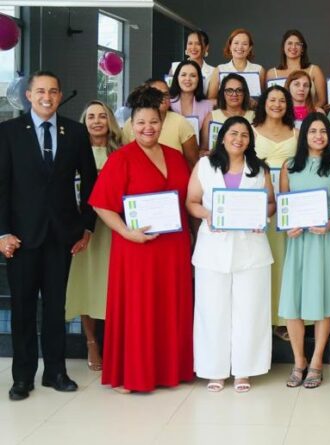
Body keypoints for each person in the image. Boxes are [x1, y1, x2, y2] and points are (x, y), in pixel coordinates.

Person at [89, 85, 194, 393]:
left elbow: (188, 198)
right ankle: (135, 373)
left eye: (154, 122)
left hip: (173, 247)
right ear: (130, 126)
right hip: (137, 247)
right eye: (141, 123)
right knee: (139, 310)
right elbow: (101, 204)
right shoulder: (121, 158)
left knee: (170, 308)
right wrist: (125, 232)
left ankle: (170, 370)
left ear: (162, 124)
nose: (148, 128)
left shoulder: (175, 157)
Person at [0, 71, 98, 401]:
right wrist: (2, 232)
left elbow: (90, 181)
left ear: (59, 96)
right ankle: (22, 377)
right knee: (24, 309)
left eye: (53, 91)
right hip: (22, 238)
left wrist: (86, 226)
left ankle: (56, 372)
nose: (47, 96)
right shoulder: (9, 132)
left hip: (62, 235)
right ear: (28, 95)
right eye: (40, 91)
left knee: (56, 308)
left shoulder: (75, 131)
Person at [187, 116, 275, 393]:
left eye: (245, 135)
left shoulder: (259, 169)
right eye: (233, 133)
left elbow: (271, 203)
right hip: (213, 247)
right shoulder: (204, 166)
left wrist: (262, 216)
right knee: (211, 310)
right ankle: (215, 370)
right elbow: (191, 202)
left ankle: (244, 370)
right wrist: (208, 215)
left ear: (250, 141)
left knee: (250, 310)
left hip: (252, 248)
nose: (239, 139)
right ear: (222, 136)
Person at [279, 113, 330, 389]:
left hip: (325, 241)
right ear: (304, 135)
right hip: (298, 243)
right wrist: (288, 227)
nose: (318, 136)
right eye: (313, 131)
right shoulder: (289, 167)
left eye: (323, 131)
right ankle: (298, 361)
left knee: (323, 300)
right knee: (293, 302)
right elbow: (283, 206)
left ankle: (317, 362)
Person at [65, 100, 122, 372]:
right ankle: (91, 342)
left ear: (110, 120)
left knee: (112, 283)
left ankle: (115, 341)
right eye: (91, 117)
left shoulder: (121, 152)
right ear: (84, 121)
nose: (97, 121)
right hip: (85, 228)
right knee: (88, 284)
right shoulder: (73, 151)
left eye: (102, 116)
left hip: (115, 228)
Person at [252, 85, 297, 341]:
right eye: (272, 100)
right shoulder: (251, 130)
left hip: (289, 204)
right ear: (264, 103)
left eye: (282, 100)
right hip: (262, 203)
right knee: (263, 260)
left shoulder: (296, 132)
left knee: (284, 262)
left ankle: (283, 318)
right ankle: (263, 317)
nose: (277, 104)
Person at [122, 78, 199, 167]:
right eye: (157, 94)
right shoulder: (129, 124)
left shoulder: (181, 123)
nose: (163, 98)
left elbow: (193, 163)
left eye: (166, 94)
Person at [267, 30, 326, 108]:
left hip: (308, 118)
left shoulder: (314, 70)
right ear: (283, 47)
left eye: (297, 44)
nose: (293, 47)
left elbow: (322, 100)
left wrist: (308, 115)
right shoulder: (272, 73)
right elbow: (268, 101)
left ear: (302, 49)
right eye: (290, 43)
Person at [200, 73, 255, 153]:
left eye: (239, 90)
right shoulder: (212, 116)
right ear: (223, 93)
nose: (234, 94)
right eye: (229, 90)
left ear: (244, 93)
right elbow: (203, 150)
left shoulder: (253, 116)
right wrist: (208, 154)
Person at [207, 28, 265, 101]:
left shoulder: (259, 70)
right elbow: (210, 100)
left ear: (250, 48)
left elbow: (264, 99)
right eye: (236, 43)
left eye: (244, 44)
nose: (240, 47)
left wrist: (255, 103)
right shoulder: (220, 70)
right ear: (230, 46)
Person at [168, 60, 214, 141]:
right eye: (183, 75)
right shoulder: (167, 102)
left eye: (193, 76)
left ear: (199, 79)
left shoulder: (208, 106)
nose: (188, 79)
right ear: (177, 78)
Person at [169, 30, 215, 96]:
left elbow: (212, 99)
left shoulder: (213, 72)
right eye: (190, 43)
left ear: (206, 47)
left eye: (198, 44)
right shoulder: (175, 67)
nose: (193, 47)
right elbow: (169, 94)